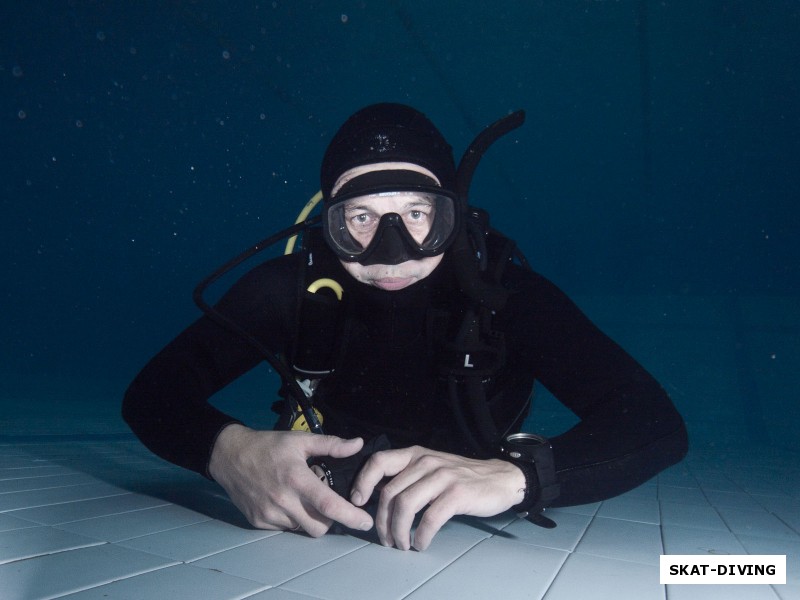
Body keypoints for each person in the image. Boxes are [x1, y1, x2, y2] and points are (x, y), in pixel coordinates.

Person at [123, 103, 688, 551]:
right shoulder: (292, 290)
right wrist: (229, 451)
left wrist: (521, 477)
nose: (390, 252)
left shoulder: (503, 296)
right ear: (330, 222)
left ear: (453, 216)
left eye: (417, 214)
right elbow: (152, 394)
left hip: (479, 462)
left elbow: (654, 421)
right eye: (362, 218)